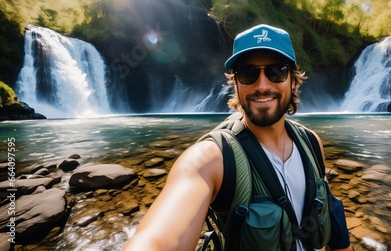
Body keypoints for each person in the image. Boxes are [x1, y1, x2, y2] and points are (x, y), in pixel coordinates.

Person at [124, 24, 353, 251]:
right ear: (235, 83)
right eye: (248, 73)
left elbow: (333, 226)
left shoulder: (312, 144)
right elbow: (156, 241)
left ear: (293, 80)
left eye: (276, 71)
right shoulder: (212, 159)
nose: (262, 85)